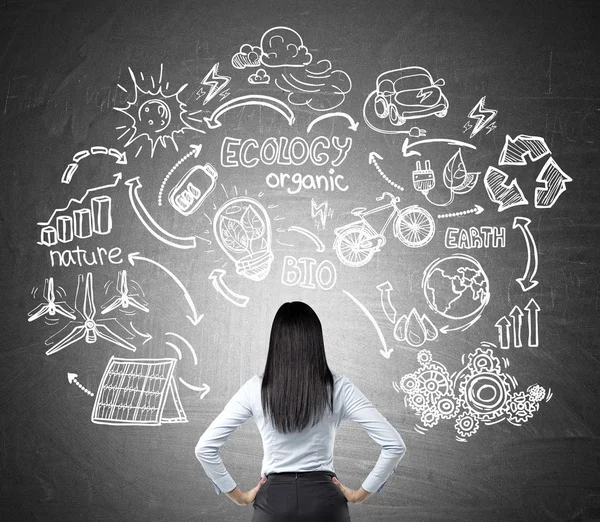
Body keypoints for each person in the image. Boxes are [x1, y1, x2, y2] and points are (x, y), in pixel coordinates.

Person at [195, 301, 406, 521]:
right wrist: (360, 495)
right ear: (316, 341)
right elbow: (394, 444)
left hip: (273, 503)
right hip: (325, 502)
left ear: (276, 342)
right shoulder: (340, 388)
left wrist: (238, 496)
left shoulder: (254, 389)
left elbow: (205, 448)